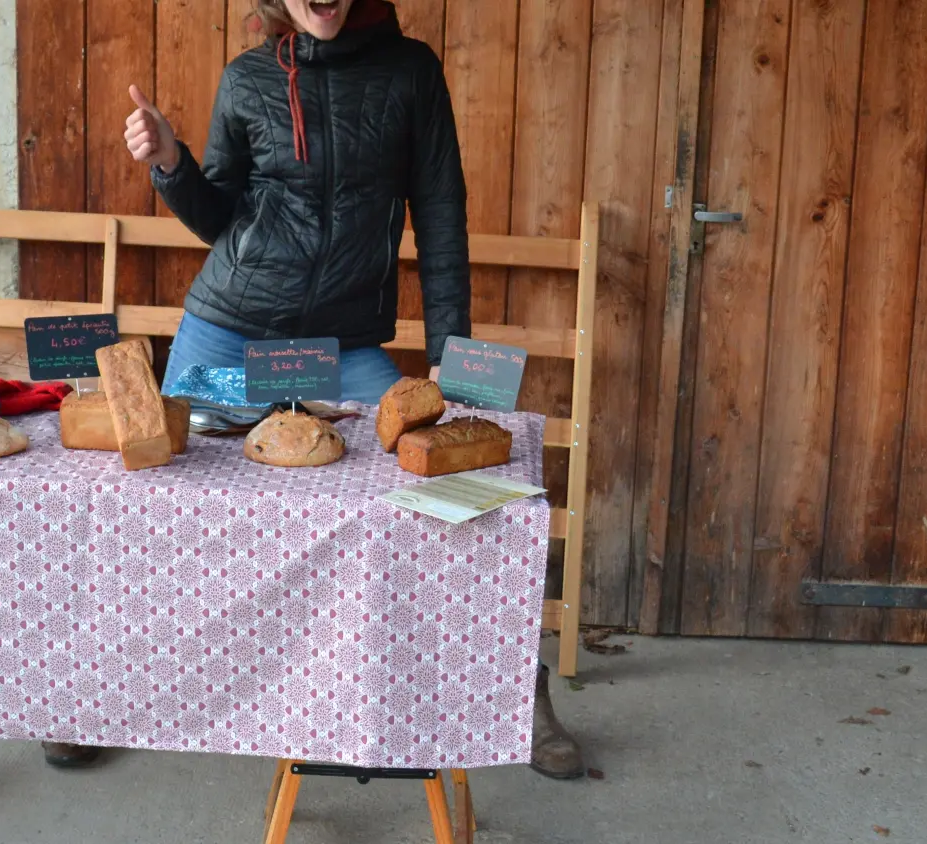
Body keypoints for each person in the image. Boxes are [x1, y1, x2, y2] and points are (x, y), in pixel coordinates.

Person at [41, 0, 586, 780]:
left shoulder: (411, 73)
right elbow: (219, 215)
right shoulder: (249, 78)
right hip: (227, 331)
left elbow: (440, 218)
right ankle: (92, 696)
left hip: (340, 353)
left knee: (453, 492)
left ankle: (511, 690)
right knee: (148, 503)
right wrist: (170, 162)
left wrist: (452, 364)